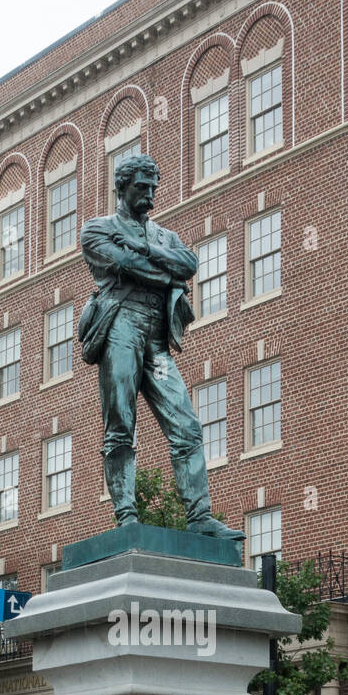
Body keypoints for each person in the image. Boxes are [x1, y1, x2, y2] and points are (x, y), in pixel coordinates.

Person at [79, 154, 245, 541]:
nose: (151, 196)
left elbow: (188, 264)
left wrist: (150, 253)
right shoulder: (96, 229)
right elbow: (125, 265)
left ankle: (200, 517)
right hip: (121, 328)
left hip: (156, 341)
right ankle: (126, 516)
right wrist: (154, 267)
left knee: (186, 425)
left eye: (154, 188)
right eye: (142, 187)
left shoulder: (163, 236)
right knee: (120, 425)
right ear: (121, 187)